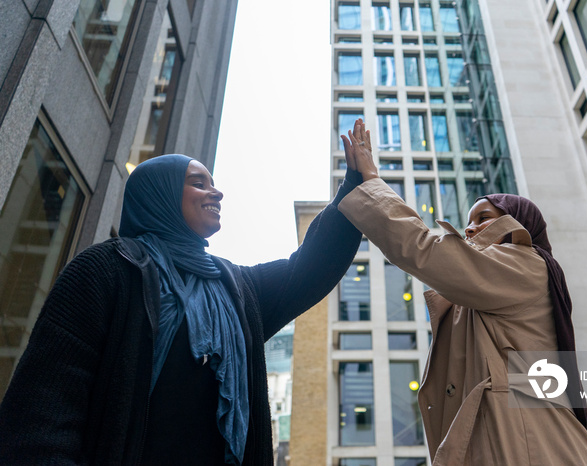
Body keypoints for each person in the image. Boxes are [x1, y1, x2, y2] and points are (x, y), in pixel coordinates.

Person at [0, 154, 363, 465]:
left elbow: (309, 269)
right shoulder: (105, 270)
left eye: (214, 183)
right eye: (198, 183)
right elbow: (41, 416)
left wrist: (354, 185)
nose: (216, 192)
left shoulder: (237, 288)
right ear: (161, 195)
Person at [339, 119, 587, 465]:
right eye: (469, 221)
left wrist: (373, 181)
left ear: (518, 224)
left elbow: (425, 251)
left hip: (535, 449)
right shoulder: (479, 295)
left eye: (484, 217)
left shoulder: (524, 264)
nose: (470, 228)